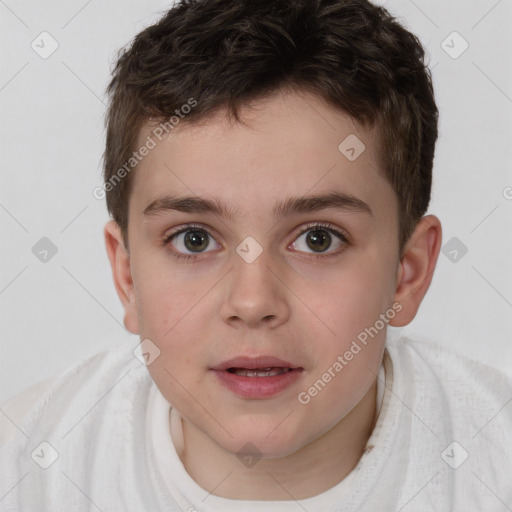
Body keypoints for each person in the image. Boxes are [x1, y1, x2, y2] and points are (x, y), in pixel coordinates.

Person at [1, 0, 511, 510]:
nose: (252, 301)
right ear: (128, 274)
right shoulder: (28, 468)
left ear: (407, 274)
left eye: (318, 239)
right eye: (194, 239)